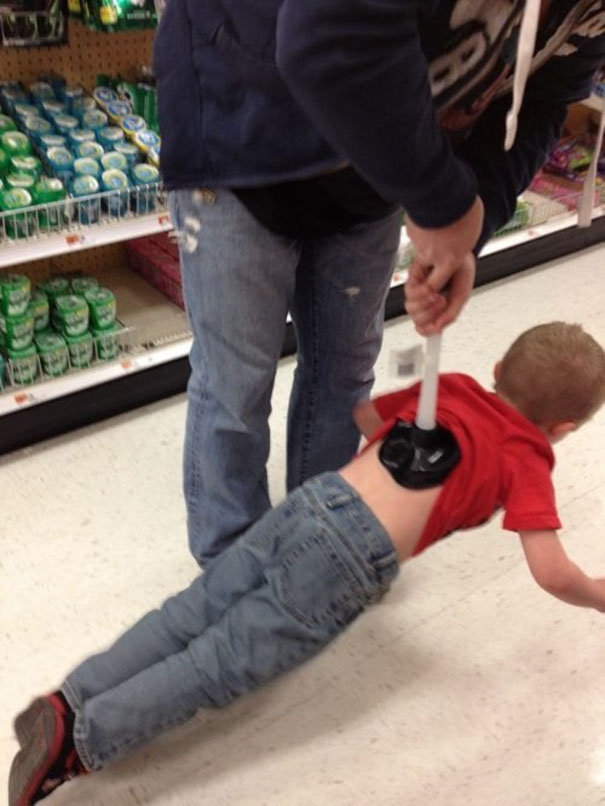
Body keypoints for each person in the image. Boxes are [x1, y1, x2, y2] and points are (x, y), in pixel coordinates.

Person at [9, 321, 605, 806]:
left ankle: (70, 699)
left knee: (188, 613)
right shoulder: (528, 456)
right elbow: (552, 572)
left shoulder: (455, 386)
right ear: (562, 429)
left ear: (498, 370)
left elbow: (368, 418)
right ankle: (82, 742)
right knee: (218, 662)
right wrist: (598, 593)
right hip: (349, 557)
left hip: (317, 498)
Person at [153, 0, 605, 564]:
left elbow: (544, 92)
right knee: (235, 385)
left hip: (373, 178)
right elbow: (323, 35)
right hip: (238, 136)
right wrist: (442, 201)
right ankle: (229, 565)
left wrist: (468, 221)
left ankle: (321, 536)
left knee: (345, 369)